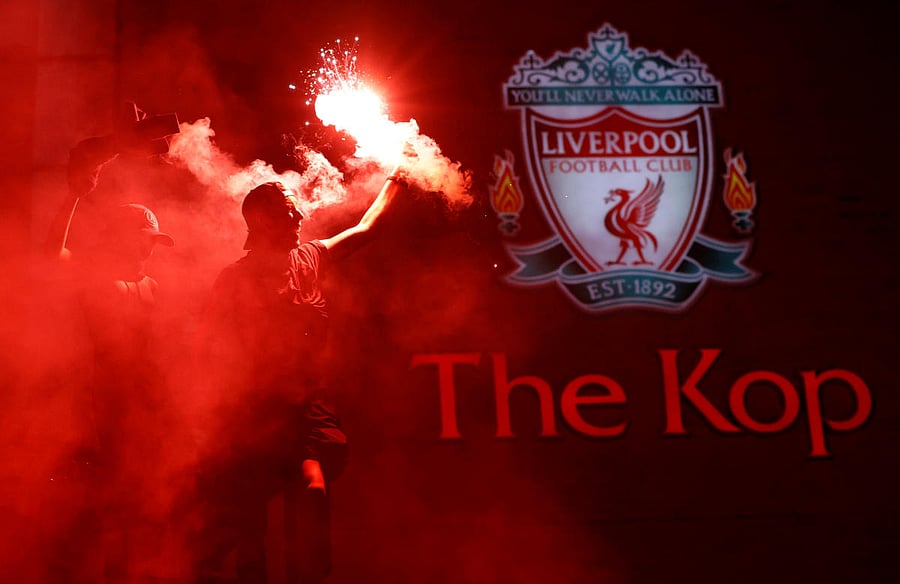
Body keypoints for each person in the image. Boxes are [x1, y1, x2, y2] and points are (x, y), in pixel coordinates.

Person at [194, 171, 409, 583]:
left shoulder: (308, 257)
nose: (299, 218)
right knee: (250, 527)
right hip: (252, 415)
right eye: (289, 212)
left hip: (306, 411)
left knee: (311, 495)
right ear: (263, 222)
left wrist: (399, 176)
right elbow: (206, 348)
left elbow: (366, 228)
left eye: (295, 211)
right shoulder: (233, 280)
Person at [43, 135, 183, 583]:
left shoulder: (155, 287)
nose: (149, 249)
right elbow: (51, 257)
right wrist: (73, 197)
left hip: (135, 421)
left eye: (153, 241)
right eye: (142, 239)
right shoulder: (93, 277)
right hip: (88, 420)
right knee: (89, 522)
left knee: (132, 521)